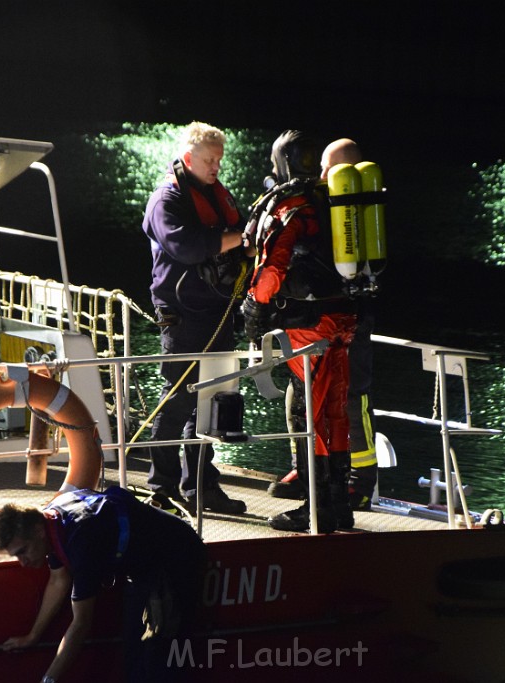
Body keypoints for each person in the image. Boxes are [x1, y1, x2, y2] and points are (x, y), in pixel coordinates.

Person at [241, 130, 359, 533]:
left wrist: (255, 307)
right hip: (344, 320)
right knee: (336, 413)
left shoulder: (292, 205)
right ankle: (339, 504)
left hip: (310, 326)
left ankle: (316, 510)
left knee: (312, 413)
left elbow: (273, 265)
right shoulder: (336, 200)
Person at [266, 138, 380, 510]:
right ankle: (305, 469)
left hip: (351, 316)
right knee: (300, 393)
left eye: (328, 169)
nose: (321, 175)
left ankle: (360, 480)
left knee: (351, 398)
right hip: (317, 316)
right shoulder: (319, 203)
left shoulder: (355, 208)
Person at [141, 121, 248, 516]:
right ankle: (160, 487)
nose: (216, 166)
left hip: (218, 313)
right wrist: (240, 240)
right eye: (209, 159)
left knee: (211, 405)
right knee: (176, 405)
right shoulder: (166, 200)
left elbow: (240, 227)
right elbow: (186, 247)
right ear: (189, 158)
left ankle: (201, 487)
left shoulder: (217, 195)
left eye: (219, 159)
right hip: (183, 317)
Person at [0, 486, 205, 682]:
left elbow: (81, 624)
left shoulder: (82, 541)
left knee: (157, 657)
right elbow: (58, 581)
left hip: (177, 557)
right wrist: (32, 636)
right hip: (142, 566)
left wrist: (48, 680)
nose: (23, 563)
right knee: (133, 653)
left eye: (23, 551)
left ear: (38, 531)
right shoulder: (52, 521)